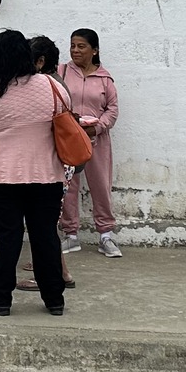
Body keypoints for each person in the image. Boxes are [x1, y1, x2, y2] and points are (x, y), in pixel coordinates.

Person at [0, 30, 68, 316]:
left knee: (9, 238)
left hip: (4, 177)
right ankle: (54, 299)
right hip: (47, 175)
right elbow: (65, 117)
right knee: (46, 236)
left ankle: (1, 299)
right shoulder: (51, 86)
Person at [55, 28, 122, 258]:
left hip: (97, 140)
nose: (75, 50)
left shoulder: (105, 79)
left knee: (100, 185)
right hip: (69, 139)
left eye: (81, 46)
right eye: (73, 45)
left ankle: (105, 235)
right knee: (68, 186)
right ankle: (70, 234)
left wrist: (98, 127)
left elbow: (112, 109)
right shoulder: (62, 72)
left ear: (94, 50)